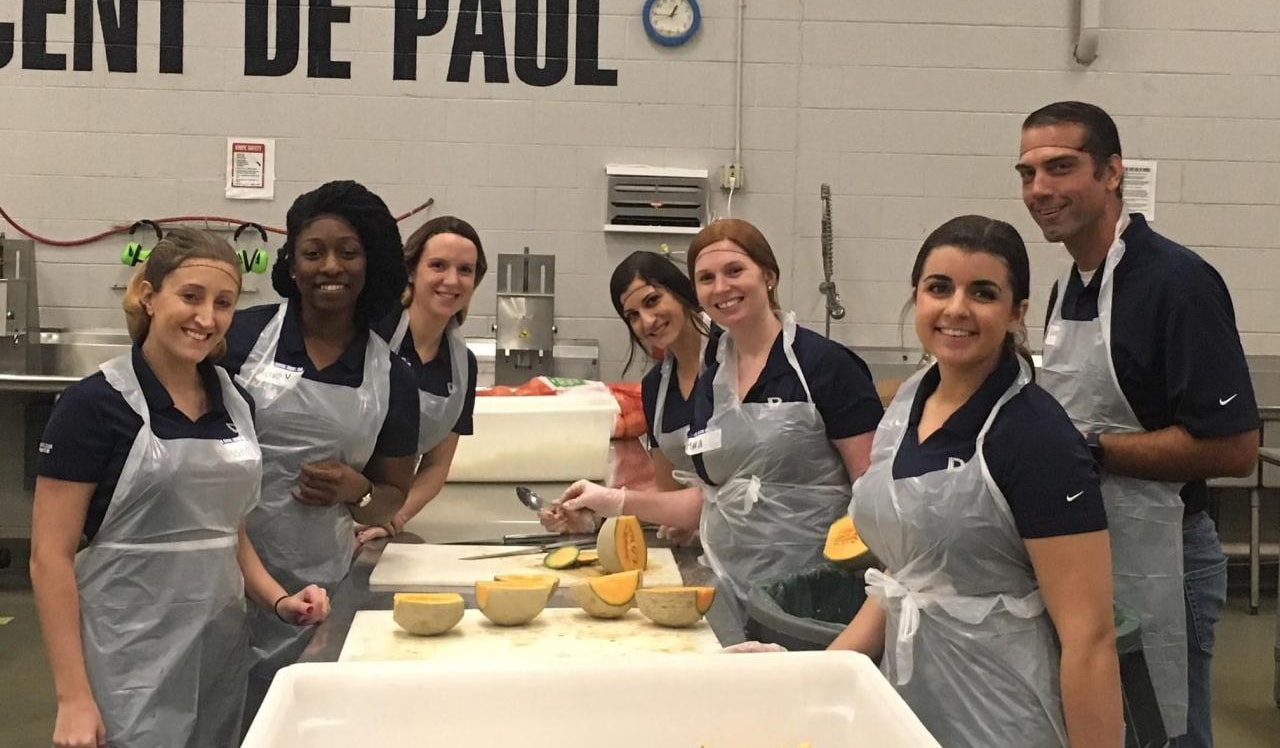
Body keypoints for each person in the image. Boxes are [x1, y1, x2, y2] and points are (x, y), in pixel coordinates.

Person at [1017, 101, 1259, 746]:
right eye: (1028, 173)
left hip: (1165, 558)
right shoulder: (1069, 286)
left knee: (1164, 731)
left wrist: (1089, 450)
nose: (1039, 189)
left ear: (1112, 172)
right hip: (1087, 550)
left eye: (1060, 167)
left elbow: (1235, 448)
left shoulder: (1177, 282)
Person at [30, 229, 331, 748]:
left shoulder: (235, 402)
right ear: (149, 296)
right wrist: (73, 697)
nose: (206, 318)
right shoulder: (94, 405)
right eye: (191, 296)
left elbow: (227, 530)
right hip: (127, 655)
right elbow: (48, 558)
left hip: (216, 651)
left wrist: (279, 600)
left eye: (223, 303)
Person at [829, 215, 1121, 747]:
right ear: (916, 296)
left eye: (983, 293)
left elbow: (1090, 639)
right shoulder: (909, 404)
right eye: (939, 288)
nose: (956, 308)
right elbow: (910, 574)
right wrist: (820, 677)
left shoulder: (1035, 436)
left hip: (1003, 714)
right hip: (910, 705)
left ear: (1017, 313)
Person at [546, 219, 883, 625]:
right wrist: (610, 503)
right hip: (734, 587)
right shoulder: (713, 384)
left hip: (821, 594)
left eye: (734, 270)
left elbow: (874, 492)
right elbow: (715, 498)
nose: (721, 287)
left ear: (769, 275)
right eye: (707, 278)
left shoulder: (826, 366)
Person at [222, 181, 420, 720]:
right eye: (313, 253)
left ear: (370, 263)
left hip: (315, 587)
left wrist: (358, 490)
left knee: (291, 717)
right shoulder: (237, 339)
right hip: (218, 573)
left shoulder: (392, 378)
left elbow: (391, 496)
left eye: (348, 252)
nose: (330, 266)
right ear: (292, 263)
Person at [542, 251, 716, 540]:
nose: (647, 321)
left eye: (652, 300)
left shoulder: (731, 356)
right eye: (633, 315)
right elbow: (668, 492)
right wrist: (595, 515)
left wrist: (618, 501)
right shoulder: (656, 388)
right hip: (704, 546)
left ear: (680, 291)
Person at [359, 216, 485, 543]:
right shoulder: (369, 332)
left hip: (380, 512)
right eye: (438, 265)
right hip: (327, 499)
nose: (452, 280)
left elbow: (436, 466)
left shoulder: (462, 367)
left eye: (465, 270)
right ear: (412, 271)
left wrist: (391, 517)